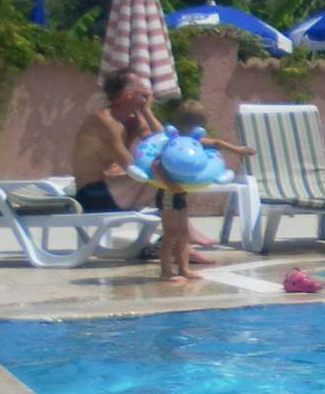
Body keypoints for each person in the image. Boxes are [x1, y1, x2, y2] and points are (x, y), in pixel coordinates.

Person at [150, 101, 251, 283]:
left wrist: (237, 150)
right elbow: (156, 164)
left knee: (183, 233)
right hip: (167, 194)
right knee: (170, 234)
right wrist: (169, 184)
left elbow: (215, 143)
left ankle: (184, 269)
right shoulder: (172, 143)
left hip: (180, 193)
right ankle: (166, 272)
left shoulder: (192, 142)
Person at [71, 70, 158, 215]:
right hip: (92, 194)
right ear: (128, 94)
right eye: (142, 87)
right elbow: (128, 165)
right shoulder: (103, 120)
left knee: (166, 168)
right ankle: (175, 223)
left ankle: (176, 224)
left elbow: (164, 142)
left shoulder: (133, 120)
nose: (147, 92)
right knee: (162, 170)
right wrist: (158, 169)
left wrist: (147, 111)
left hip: (116, 191)